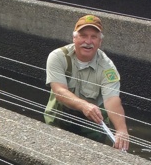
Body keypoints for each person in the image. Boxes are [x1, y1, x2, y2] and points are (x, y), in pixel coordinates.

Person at [44, 14, 130, 150]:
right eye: (83, 35)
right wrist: (84, 106)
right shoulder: (58, 57)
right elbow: (59, 91)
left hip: (92, 123)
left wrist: (121, 130)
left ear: (100, 42)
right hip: (60, 117)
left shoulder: (108, 68)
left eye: (94, 37)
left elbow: (112, 100)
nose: (88, 41)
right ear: (74, 38)